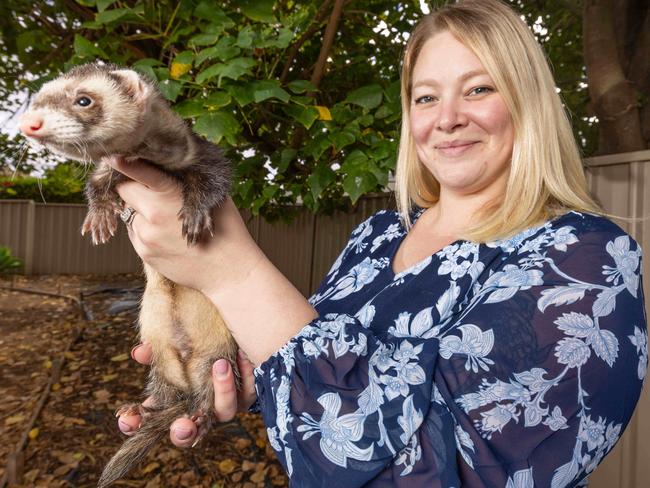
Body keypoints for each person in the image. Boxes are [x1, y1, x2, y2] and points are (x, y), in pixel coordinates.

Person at [113, 0, 647, 486]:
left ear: (528, 102)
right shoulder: (378, 236)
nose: (447, 118)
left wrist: (234, 273)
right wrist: (244, 375)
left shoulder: (588, 259)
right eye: (426, 96)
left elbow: (438, 469)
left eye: (479, 88)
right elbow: (318, 366)